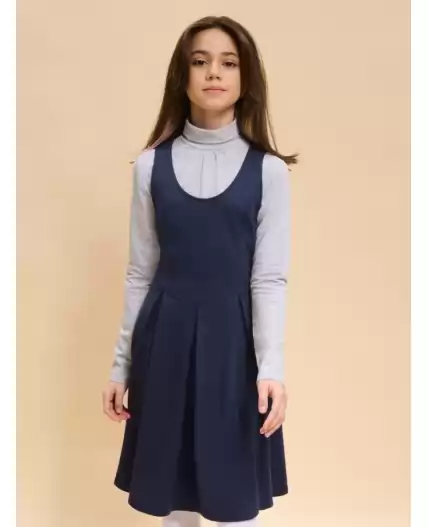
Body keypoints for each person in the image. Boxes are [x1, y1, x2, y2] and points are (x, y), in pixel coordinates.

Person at [102, 14, 298, 527]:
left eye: (228, 62)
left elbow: (269, 278)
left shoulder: (269, 171)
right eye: (200, 61)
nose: (214, 72)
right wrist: (121, 366)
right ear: (182, 75)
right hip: (163, 342)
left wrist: (271, 368)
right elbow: (140, 271)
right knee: (173, 497)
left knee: (234, 500)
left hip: (235, 350)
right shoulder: (150, 166)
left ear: (246, 77)